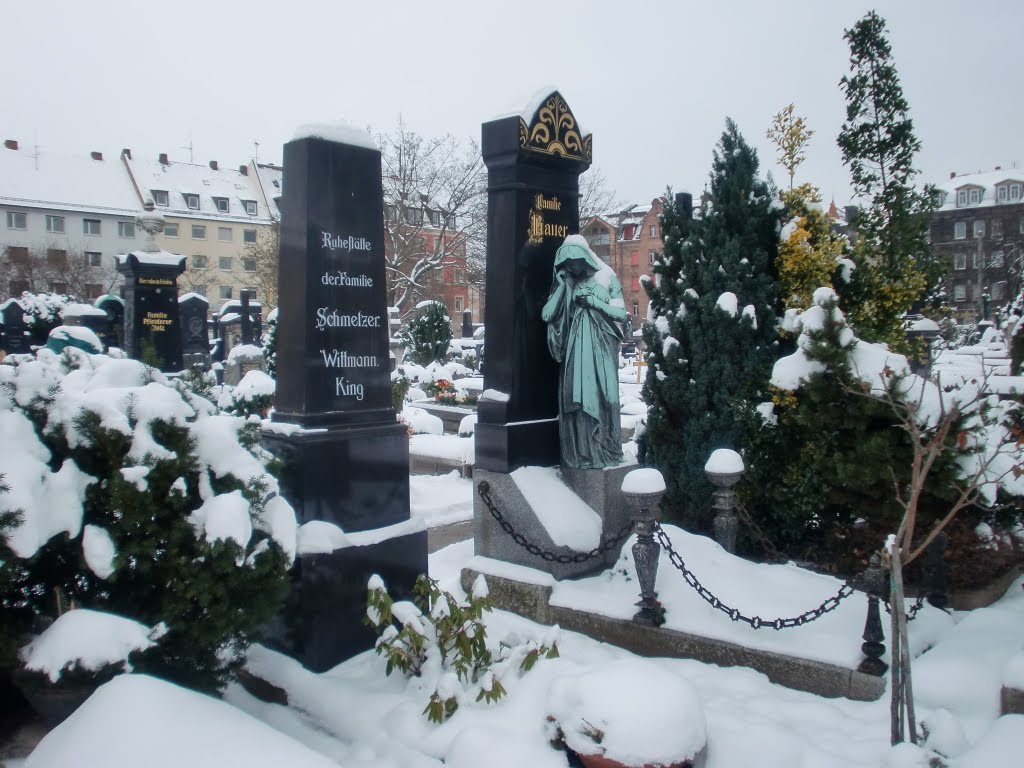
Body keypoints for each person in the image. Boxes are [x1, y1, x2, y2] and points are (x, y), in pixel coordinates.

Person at [541, 235, 626, 469]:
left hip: (603, 346)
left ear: (584, 258)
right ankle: (583, 453)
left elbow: (621, 315)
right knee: (579, 399)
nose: (570, 267)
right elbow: (547, 315)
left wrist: (594, 303)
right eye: (565, 264)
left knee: (607, 397)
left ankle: (607, 448)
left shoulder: (607, 277)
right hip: (577, 349)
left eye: (573, 262)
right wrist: (560, 284)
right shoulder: (569, 282)